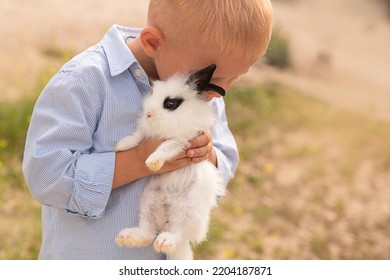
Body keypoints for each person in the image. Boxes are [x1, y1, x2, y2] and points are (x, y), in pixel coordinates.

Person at [22, 0, 273, 259]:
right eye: (216, 78)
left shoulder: (205, 93)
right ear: (153, 43)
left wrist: (206, 155)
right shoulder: (85, 82)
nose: (224, 90)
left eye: (236, 77)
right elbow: (47, 176)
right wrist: (139, 159)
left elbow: (225, 159)